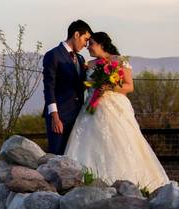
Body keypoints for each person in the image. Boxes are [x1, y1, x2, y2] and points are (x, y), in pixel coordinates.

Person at [63, 31, 169, 191]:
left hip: (114, 106)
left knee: (120, 140)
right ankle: (87, 181)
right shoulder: (89, 64)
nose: (88, 47)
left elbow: (129, 86)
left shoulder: (119, 61)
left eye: (91, 44)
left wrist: (109, 86)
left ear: (101, 44)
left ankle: (128, 182)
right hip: (91, 108)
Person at [42, 19, 92, 154]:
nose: (86, 44)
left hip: (78, 116)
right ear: (76, 34)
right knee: (57, 154)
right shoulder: (53, 55)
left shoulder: (80, 59)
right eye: (85, 39)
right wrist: (55, 116)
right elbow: (49, 87)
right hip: (60, 116)